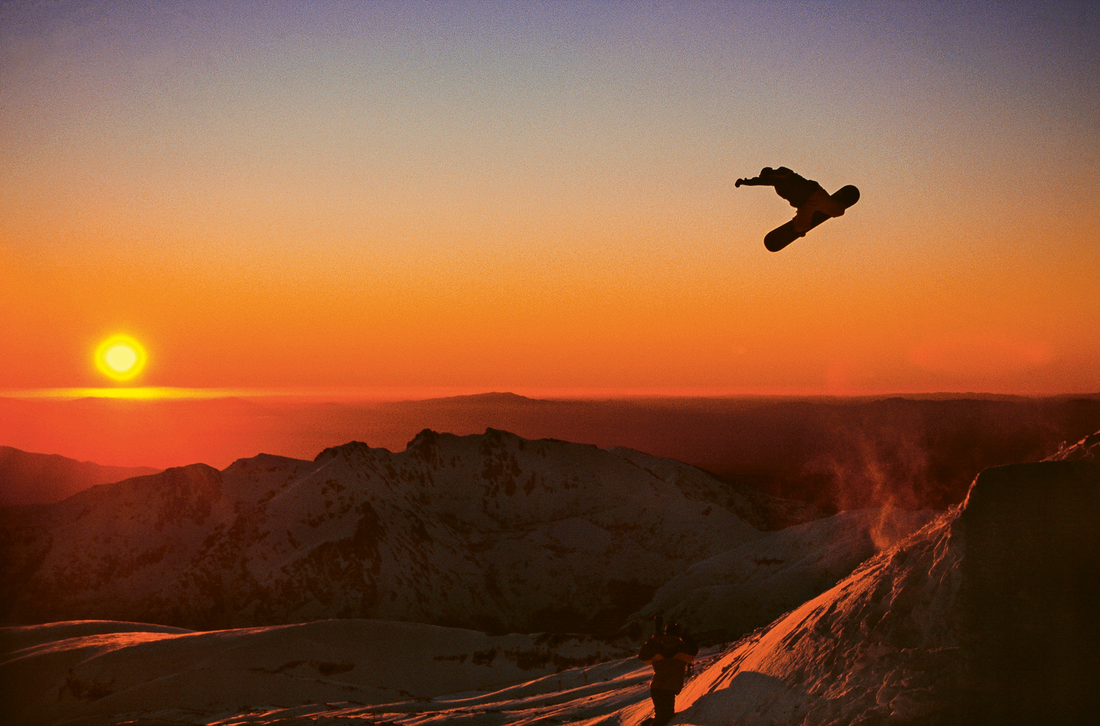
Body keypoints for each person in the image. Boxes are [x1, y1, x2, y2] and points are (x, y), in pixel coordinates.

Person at [736, 166, 845, 237]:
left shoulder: (782, 172)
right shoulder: (777, 185)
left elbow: (763, 180)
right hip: (804, 205)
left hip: (814, 195)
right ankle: (801, 220)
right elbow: (766, 181)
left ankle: (833, 202)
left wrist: (744, 182)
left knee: (839, 211)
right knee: (800, 229)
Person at [638, 618, 698, 726]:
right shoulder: (683, 649)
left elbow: (642, 657)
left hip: (656, 687)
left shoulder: (657, 648)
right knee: (664, 719)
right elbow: (694, 650)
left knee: (662, 717)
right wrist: (685, 636)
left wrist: (652, 641)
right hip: (669, 688)